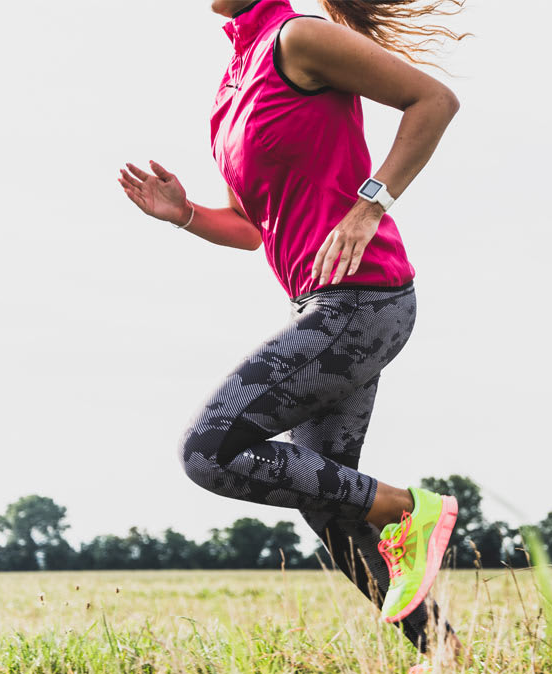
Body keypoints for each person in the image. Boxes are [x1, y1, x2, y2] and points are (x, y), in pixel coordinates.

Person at [116, 0, 467, 663]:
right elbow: (250, 229)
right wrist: (184, 212)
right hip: (321, 304)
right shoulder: (234, 80)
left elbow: (433, 101)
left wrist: (371, 206)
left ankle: (407, 509)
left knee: (210, 448)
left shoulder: (298, 38)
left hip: (363, 298)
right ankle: (443, 651)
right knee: (331, 512)